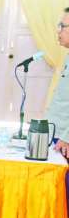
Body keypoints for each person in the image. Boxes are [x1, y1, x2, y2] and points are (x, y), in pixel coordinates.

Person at [49, 8, 69, 159]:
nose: (58, 31)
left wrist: (67, 137)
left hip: (65, 140)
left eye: (62, 26)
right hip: (58, 134)